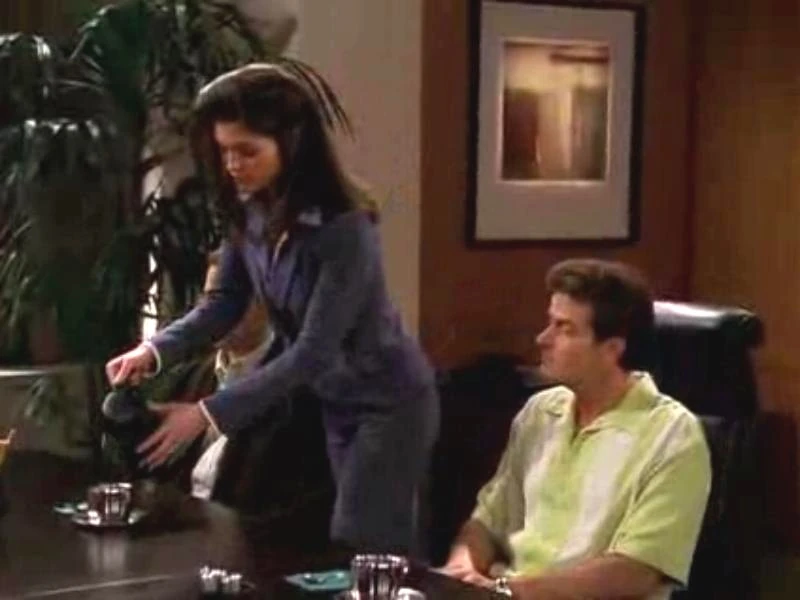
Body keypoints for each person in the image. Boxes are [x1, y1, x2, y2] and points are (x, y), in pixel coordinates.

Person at [105, 63, 439, 554]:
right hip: (332, 398)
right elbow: (224, 302)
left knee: (365, 539)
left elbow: (314, 351)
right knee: (344, 541)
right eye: (224, 150)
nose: (232, 165)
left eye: (247, 151)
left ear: (293, 142)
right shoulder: (250, 209)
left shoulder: (346, 228)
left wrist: (206, 414)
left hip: (388, 401)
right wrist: (153, 351)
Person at [442, 259, 711, 600]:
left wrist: (508, 591)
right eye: (550, 323)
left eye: (565, 329)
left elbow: (636, 572)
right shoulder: (540, 412)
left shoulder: (672, 436)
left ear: (612, 349)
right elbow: (488, 522)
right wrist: (459, 572)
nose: (543, 339)